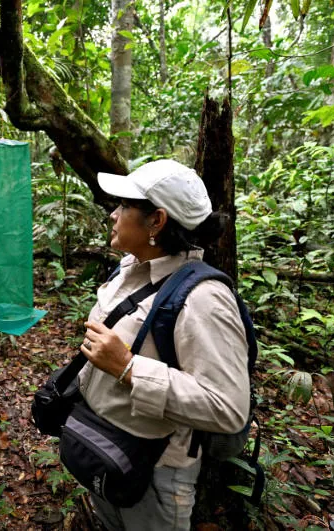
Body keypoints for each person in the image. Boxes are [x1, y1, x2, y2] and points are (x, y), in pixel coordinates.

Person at [77, 159, 250, 530]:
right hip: (107, 445)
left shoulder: (204, 299)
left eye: (124, 206)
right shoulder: (130, 267)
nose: (113, 215)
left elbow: (229, 407)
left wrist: (129, 368)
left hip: (154, 470)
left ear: (156, 221)